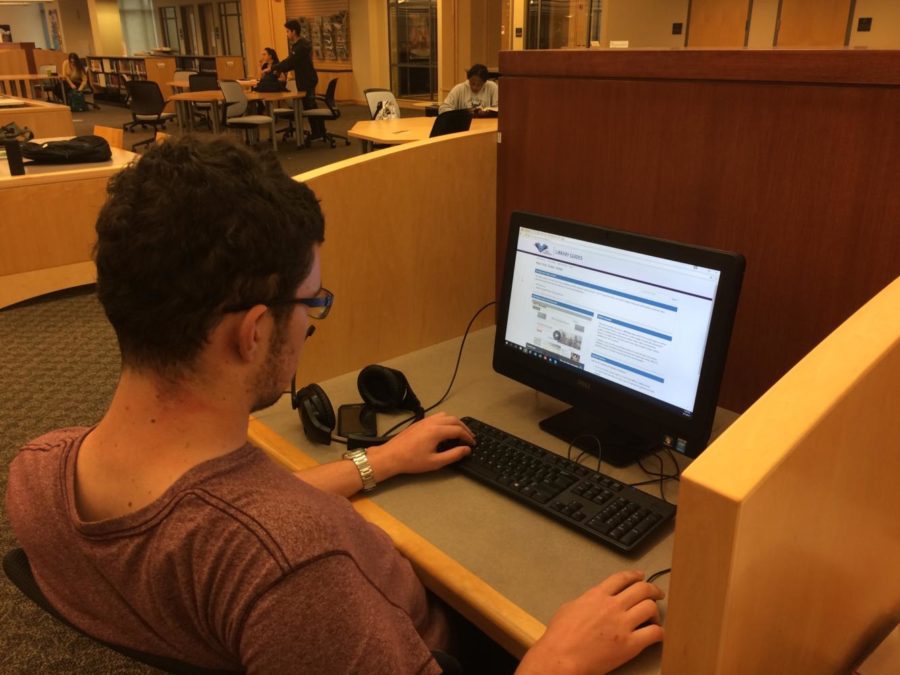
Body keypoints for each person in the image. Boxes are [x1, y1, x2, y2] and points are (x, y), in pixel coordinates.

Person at [5, 137, 664, 673]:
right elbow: (261, 542)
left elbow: (206, 513)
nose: (315, 321)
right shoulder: (295, 575)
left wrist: (377, 462)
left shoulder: (36, 471)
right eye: (313, 302)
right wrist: (560, 657)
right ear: (254, 332)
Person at [273, 19, 326, 140]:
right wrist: (280, 69)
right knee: (310, 105)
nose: (286, 34)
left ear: (294, 31)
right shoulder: (299, 46)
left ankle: (318, 132)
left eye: (287, 31)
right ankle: (319, 130)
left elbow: (290, 61)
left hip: (307, 79)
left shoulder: (300, 46)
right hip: (306, 79)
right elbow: (291, 63)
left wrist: (275, 67)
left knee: (310, 106)